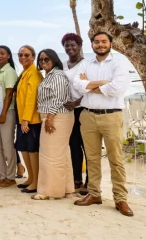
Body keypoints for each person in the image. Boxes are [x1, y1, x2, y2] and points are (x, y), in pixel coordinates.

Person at [72, 32, 133, 217]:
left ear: (110, 43)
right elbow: (77, 84)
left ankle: (120, 199)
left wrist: (89, 85)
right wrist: (102, 84)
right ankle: (94, 194)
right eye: (96, 42)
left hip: (111, 116)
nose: (100, 45)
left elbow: (118, 88)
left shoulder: (120, 61)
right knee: (92, 158)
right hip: (88, 116)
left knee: (116, 159)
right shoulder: (86, 63)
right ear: (92, 45)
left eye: (103, 41)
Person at [32, 49, 74, 200]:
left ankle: (49, 191)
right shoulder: (49, 75)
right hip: (55, 115)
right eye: (41, 60)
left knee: (50, 154)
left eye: (47, 59)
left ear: (54, 60)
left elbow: (58, 98)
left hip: (57, 116)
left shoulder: (57, 75)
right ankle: (66, 188)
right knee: (60, 154)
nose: (43, 62)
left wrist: (50, 118)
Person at [0, 45, 19, 188]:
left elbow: (9, 94)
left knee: (7, 146)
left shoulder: (10, 71)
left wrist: (3, 113)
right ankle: (2, 174)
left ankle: (11, 177)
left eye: (2, 54)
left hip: (6, 112)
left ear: (8, 56)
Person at [62, 33, 88, 193]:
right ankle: (76, 179)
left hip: (83, 109)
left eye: (73, 45)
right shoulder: (63, 65)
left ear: (79, 46)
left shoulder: (86, 65)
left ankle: (89, 183)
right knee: (73, 146)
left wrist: (76, 103)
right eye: (67, 45)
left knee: (87, 146)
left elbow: (90, 88)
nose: (70, 48)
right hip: (68, 112)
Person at [15, 46, 43, 194]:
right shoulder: (25, 72)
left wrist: (25, 119)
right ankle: (31, 177)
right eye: (20, 55)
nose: (23, 57)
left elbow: (32, 98)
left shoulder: (34, 74)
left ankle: (36, 181)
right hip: (21, 119)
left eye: (26, 55)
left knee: (32, 150)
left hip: (31, 120)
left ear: (33, 56)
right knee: (24, 149)